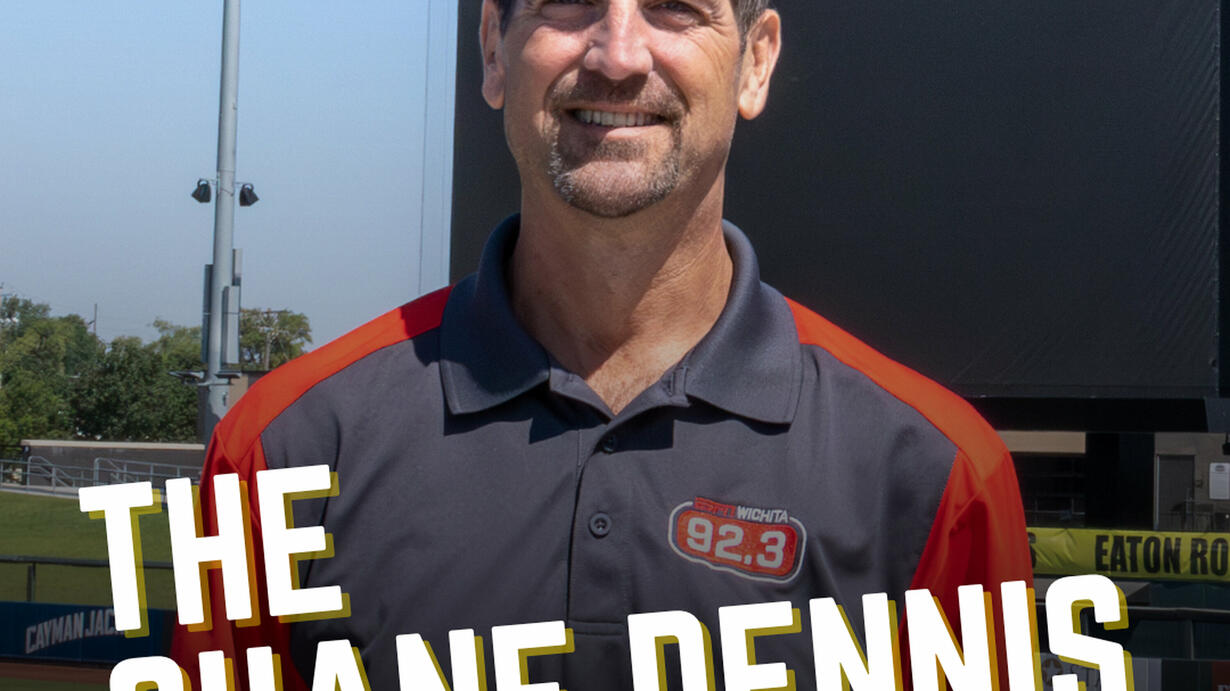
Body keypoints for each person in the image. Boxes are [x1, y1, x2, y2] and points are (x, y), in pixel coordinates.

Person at [174, 0, 1032, 689]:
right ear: (493, 49)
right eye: (569, 3)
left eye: (675, 8)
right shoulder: (277, 452)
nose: (618, 55)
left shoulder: (941, 477)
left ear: (756, 61)